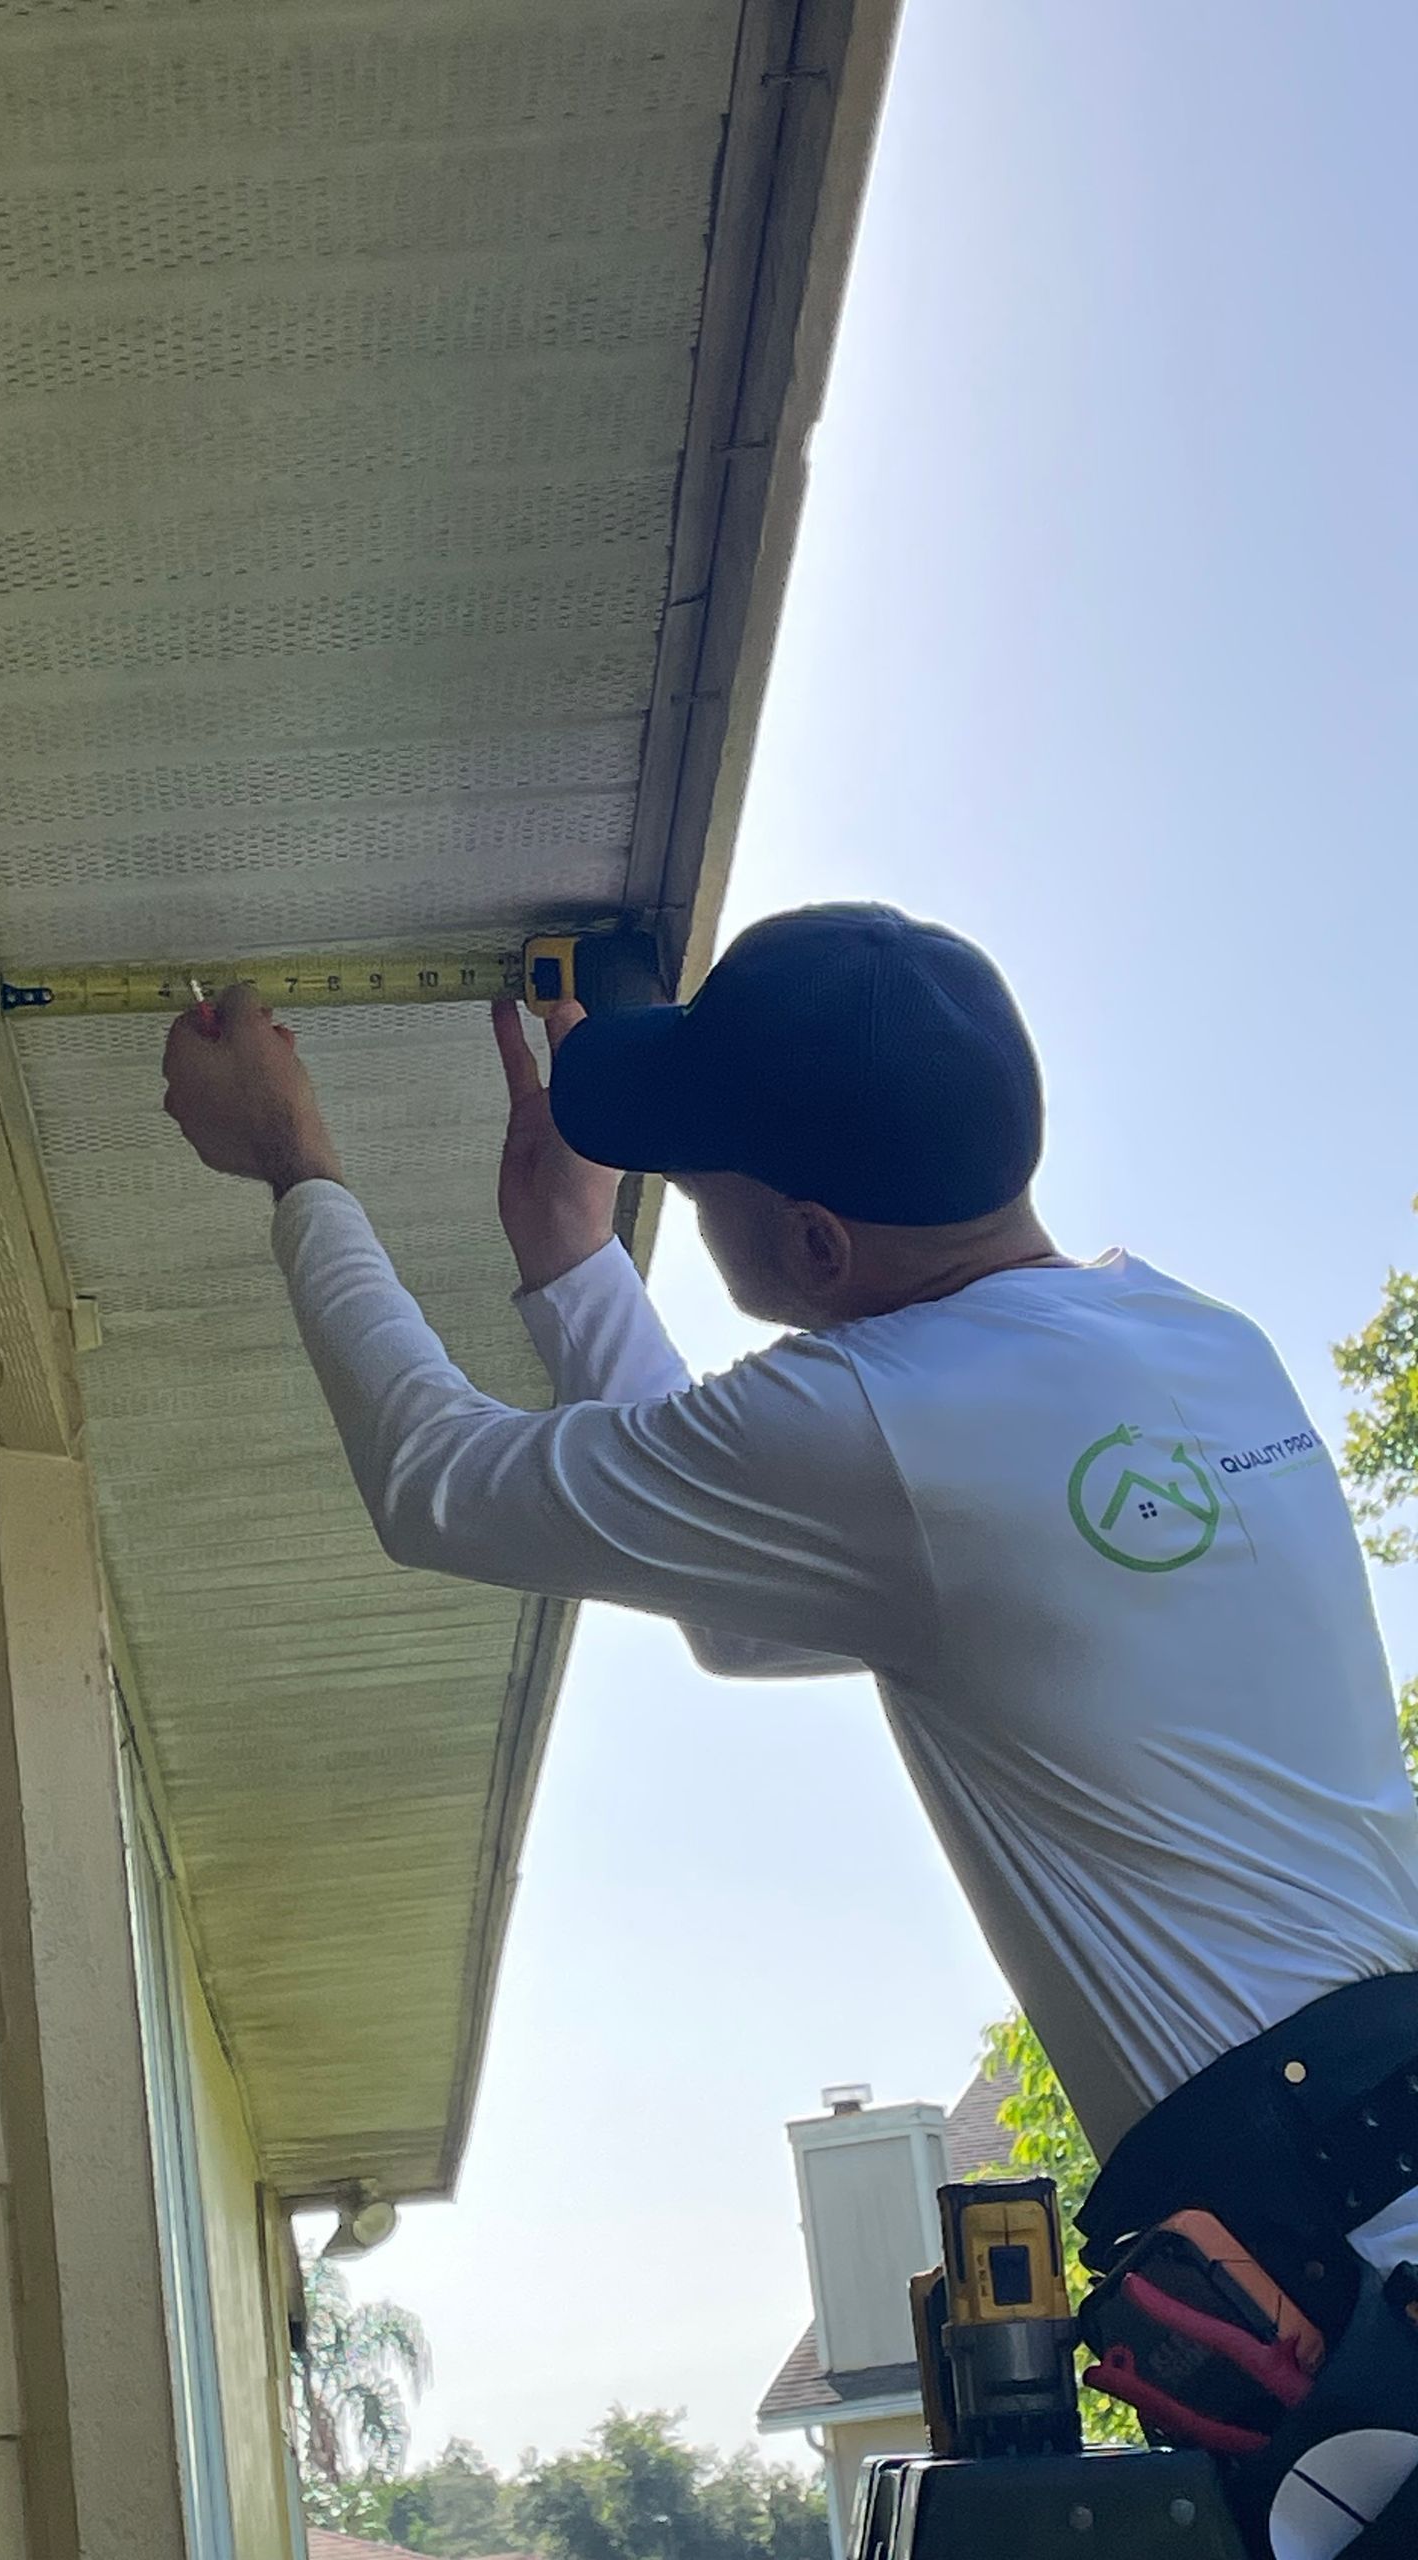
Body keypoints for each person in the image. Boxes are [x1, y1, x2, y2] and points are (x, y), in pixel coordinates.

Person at [164, 902, 1418, 2531]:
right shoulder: (1187, 1336)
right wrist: (571, 1257)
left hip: (1357, 2297)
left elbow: (435, 1481)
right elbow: (750, 1616)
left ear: (819, 1250)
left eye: (695, 1180)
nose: (675, 1187)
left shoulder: (888, 1418)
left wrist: (299, 1172)